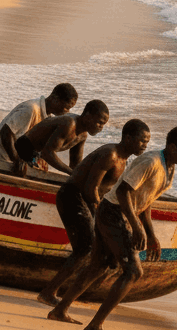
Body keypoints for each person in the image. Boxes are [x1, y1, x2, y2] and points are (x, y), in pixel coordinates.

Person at [47, 126, 177, 330]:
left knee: (99, 265)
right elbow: (122, 191)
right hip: (113, 213)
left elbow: (145, 201)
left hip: (117, 214)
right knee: (133, 271)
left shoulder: (169, 169)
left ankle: (59, 310)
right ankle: (94, 327)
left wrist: (150, 233)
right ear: (172, 147)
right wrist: (135, 226)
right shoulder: (151, 162)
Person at [38, 118, 150, 307]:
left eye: (147, 143)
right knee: (85, 248)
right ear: (128, 138)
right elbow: (91, 189)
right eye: (142, 141)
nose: (145, 146)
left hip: (86, 200)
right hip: (73, 197)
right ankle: (49, 292)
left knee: (92, 250)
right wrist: (100, 215)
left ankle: (57, 292)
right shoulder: (111, 155)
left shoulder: (124, 160)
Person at [0, 83, 78, 175]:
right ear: (55, 98)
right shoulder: (31, 109)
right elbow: (6, 132)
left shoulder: (48, 118)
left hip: (6, 159)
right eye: (66, 107)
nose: (67, 111)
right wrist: (16, 161)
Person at [11, 99, 109, 176]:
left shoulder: (83, 135)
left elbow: (75, 164)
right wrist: (70, 172)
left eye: (103, 124)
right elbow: (48, 153)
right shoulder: (70, 124)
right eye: (99, 122)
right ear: (87, 116)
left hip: (36, 154)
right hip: (23, 148)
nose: (101, 127)